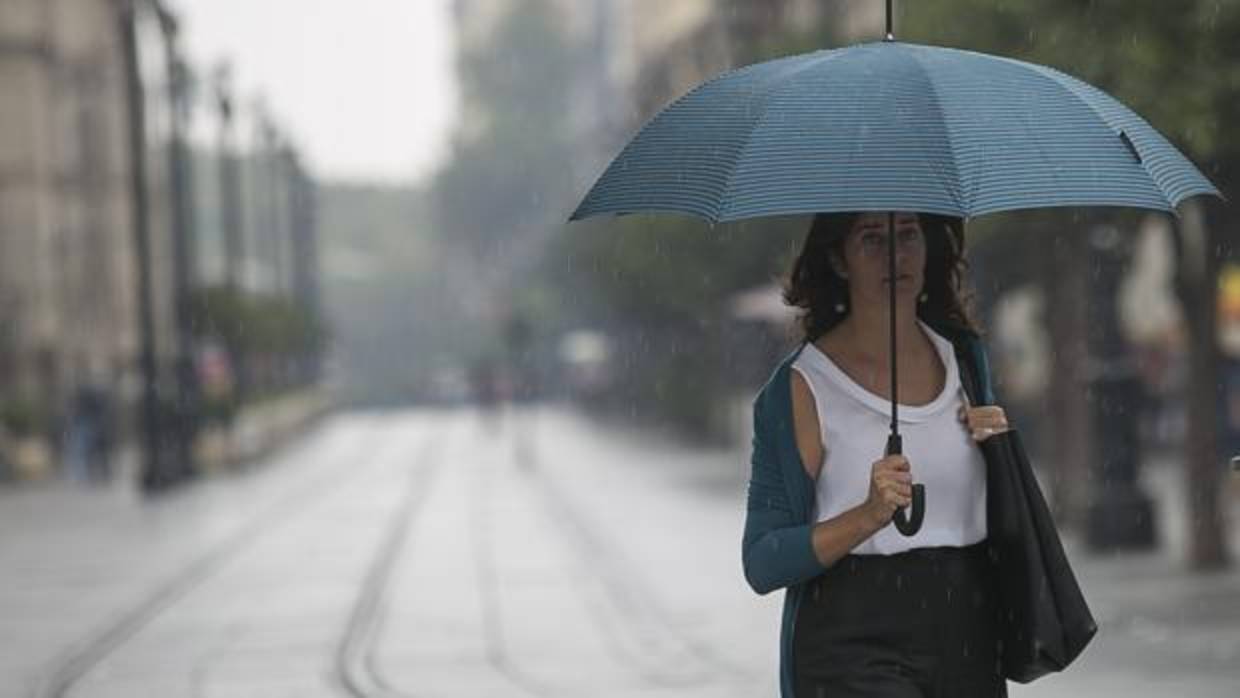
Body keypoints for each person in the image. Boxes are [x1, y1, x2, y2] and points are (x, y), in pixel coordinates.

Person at [742, 211, 1012, 698]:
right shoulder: (801, 387)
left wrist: (1002, 447)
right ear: (837, 260)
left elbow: (993, 505)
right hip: (852, 640)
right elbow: (762, 561)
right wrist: (866, 516)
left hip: (969, 630)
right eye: (871, 239)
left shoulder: (965, 357)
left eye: (908, 234)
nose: (895, 254)